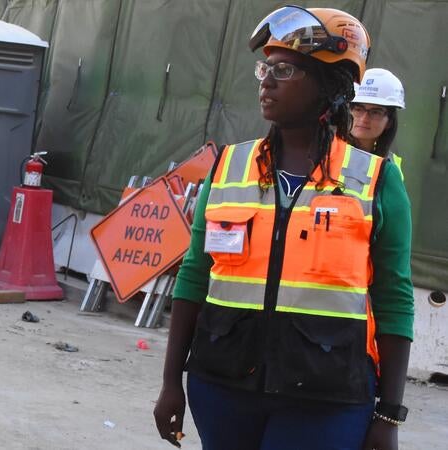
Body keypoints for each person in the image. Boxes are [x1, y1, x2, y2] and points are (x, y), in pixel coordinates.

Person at [153, 6, 414, 450]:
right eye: (265, 68)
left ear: (328, 87)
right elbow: (195, 276)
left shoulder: (377, 180)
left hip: (327, 398)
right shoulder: (228, 167)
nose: (266, 81)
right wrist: (171, 382)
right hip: (221, 387)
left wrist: (388, 414)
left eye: (284, 70)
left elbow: (394, 298)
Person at [351, 68, 406, 175]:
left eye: (375, 112)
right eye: (358, 109)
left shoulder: (391, 167)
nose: (364, 119)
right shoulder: (325, 151)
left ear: (389, 122)